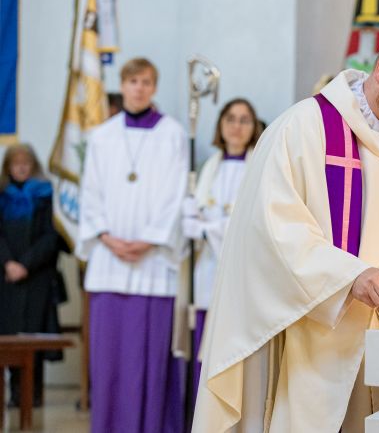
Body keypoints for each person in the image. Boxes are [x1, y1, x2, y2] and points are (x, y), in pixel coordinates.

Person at [193, 19, 379, 433]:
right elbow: (273, 229)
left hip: (375, 350)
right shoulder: (303, 128)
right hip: (298, 342)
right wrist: (348, 279)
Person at [77, 57, 188, 433]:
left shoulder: (172, 133)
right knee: (108, 361)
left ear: (154, 88)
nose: (139, 88)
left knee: (147, 360)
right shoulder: (102, 135)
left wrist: (149, 240)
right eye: (132, 81)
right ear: (121, 85)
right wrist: (105, 236)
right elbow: (88, 193)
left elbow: (176, 194)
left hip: (153, 264)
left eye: (146, 82)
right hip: (109, 265)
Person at [178, 98, 263, 405]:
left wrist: (206, 229)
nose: (236, 126)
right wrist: (189, 220)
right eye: (230, 118)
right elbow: (198, 216)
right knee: (203, 350)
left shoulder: (260, 167)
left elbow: (254, 221)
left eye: (244, 120)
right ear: (220, 125)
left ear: (254, 127)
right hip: (206, 275)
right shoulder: (209, 168)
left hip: (240, 279)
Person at [0, 144, 64, 407]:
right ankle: (14, 392)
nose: (22, 167)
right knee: (8, 335)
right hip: (6, 281)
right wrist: (8, 264)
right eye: (16, 163)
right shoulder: (1, 195)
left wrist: (25, 264)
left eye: (26, 162)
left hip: (37, 277)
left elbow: (52, 237)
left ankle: (33, 393)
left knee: (35, 335)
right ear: (8, 167)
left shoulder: (47, 195)